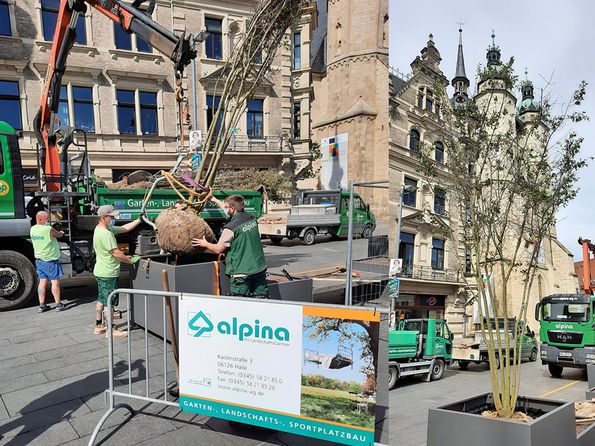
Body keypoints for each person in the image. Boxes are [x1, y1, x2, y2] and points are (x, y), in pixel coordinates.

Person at [192, 195, 268, 298]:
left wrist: (205, 244)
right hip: (259, 267)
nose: (225, 208)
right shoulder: (251, 218)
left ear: (232, 209)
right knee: (261, 298)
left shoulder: (230, 228)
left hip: (242, 272)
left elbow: (219, 249)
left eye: (227, 207)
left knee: (239, 301)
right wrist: (213, 199)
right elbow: (228, 207)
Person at [93, 205, 142, 337]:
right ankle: (111, 329)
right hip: (108, 273)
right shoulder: (106, 234)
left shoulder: (101, 229)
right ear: (104, 218)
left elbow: (124, 228)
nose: (114, 218)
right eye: (112, 216)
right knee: (110, 301)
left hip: (100, 271)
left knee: (102, 298)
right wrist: (130, 260)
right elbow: (117, 253)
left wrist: (138, 220)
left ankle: (99, 325)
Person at [30, 211, 65, 312]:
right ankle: (58, 304)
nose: (48, 220)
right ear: (40, 219)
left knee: (42, 283)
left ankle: (42, 305)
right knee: (55, 283)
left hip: (39, 260)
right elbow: (58, 235)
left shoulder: (32, 229)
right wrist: (62, 232)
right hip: (50, 260)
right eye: (46, 219)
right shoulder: (48, 229)